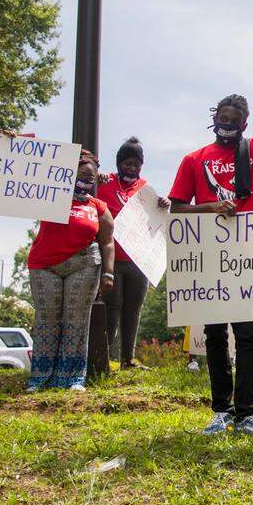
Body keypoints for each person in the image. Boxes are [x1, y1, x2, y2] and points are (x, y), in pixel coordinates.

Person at [168, 49, 253, 438]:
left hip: (248, 255)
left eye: (233, 120)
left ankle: (248, 413)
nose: (225, 125)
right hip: (210, 258)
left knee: (246, 333)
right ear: (213, 120)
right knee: (214, 334)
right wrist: (210, 208)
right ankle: (220, 410)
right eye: (220, 119)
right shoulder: (194, 159)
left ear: (244, 124)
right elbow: (177, 209)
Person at [26, 149, 115, 391]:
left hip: (84, 265)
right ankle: (40, 377)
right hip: (45, 266)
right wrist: (11, 144)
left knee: (77, 321)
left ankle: (72, 377)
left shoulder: (98, 207)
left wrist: (108, 273)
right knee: (47, 320)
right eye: (82, 175)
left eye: (92, 177)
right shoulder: (50, 197)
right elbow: (26, 177)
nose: (87, 180)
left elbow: (107, 241)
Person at [96, 137, 166, 370]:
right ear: (119, 163)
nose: (132, 168)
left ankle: (128, 359)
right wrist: (96, 180)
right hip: (112, 258)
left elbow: (154, 217)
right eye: (127, 163)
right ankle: (103, 359)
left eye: (136, 164)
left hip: (138, 260)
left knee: (133, 309)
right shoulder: (105, 182)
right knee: (111, 306)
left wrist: (163, 204)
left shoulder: (145, 189)